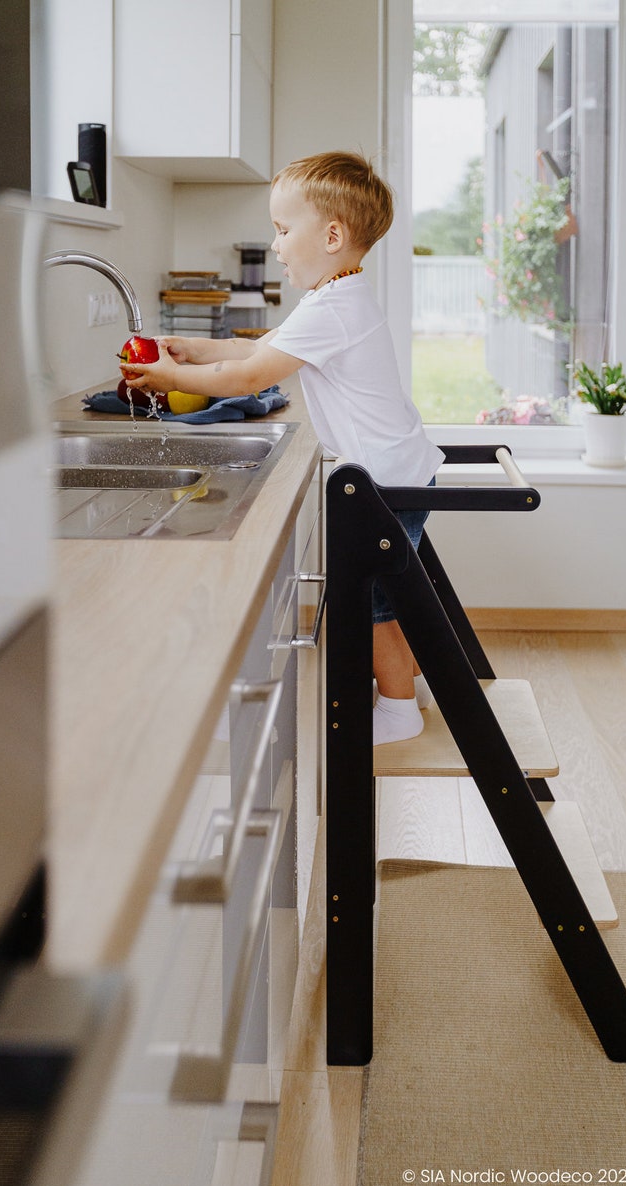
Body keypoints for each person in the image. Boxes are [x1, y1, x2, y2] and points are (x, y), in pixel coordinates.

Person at [123, 150, 445, 744]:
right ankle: (409, 689)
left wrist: (171, 379)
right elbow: (257, 352)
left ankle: (399, 712)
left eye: (281, 229)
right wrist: (194, 350)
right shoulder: (336, 298)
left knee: (376, 606)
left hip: (386, 483)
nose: (274, 244)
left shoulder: (334, 309)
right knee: (389, 597)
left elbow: (248, 379)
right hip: (397, 471)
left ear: (330, 235)